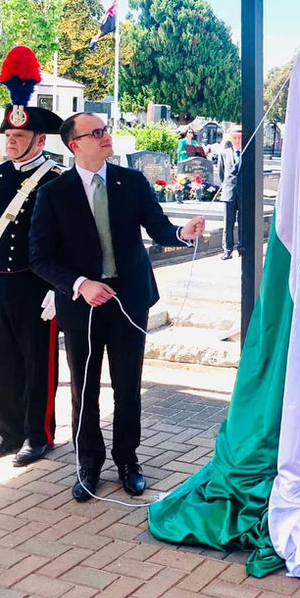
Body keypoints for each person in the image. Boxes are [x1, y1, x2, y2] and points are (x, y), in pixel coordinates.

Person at [30, 112, 206, 501]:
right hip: (83, 305)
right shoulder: (54, 193)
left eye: (105, 130)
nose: (105, 136)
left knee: (128, 387)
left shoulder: (131, 182)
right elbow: (39, 257)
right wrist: (79, 284)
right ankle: (88, 464)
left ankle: (128, 460)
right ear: (75, 144)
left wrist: (182, 233)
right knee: (84, 388)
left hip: (129, 299)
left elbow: (158, 227)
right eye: (96, 132)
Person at [0, 45, 64, 468]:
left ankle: (37, 434)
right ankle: (5, 432)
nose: (11, 143)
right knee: (0, 360)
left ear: (39, 139)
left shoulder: (55, 179)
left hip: (36, 283)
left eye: (19, 138)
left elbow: (66, 239)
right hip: (1, 278)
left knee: (37, 363)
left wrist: (56, 287)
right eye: (8, 137)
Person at [217, 129, 242, 259]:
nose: (238, 141)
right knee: (228, 222)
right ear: (231, 140)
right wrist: (227, 186)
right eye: (235, 138)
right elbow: (221, 173)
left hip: (243, 193)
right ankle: (227, 249)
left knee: (243, 222)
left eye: (240, 138)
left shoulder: (247, 152)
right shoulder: (224, 154)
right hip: (229, 192)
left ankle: (242, 246)